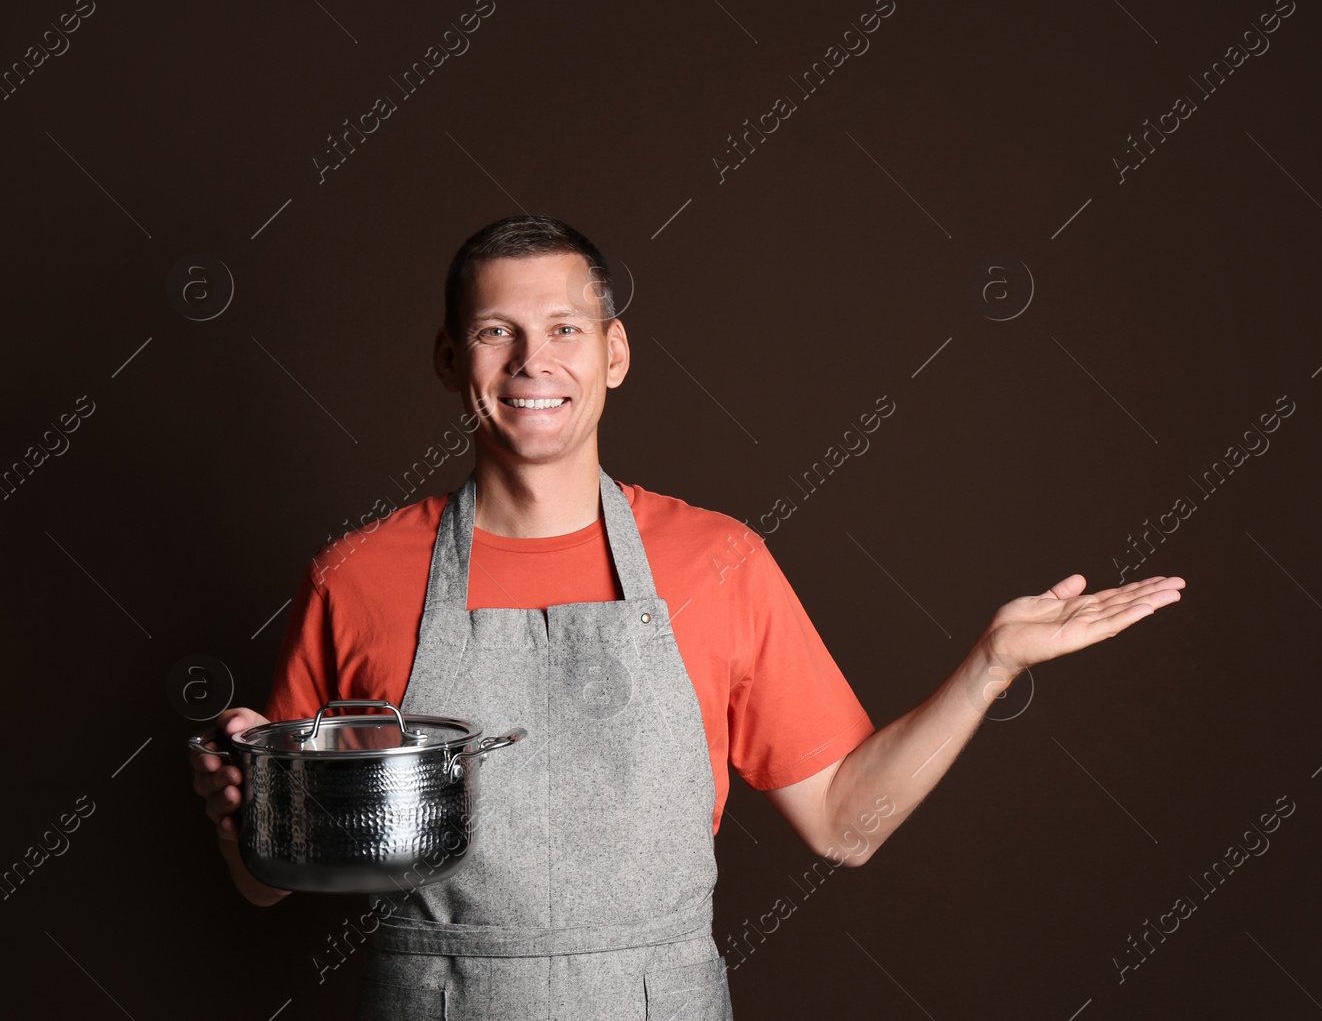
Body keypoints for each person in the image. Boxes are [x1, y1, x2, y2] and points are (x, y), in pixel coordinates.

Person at [189, 215, 1184, 1019]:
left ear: (615, 353)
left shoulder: (717, 562)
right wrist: (242, 816)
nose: (534, 360)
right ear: (451, 357)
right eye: (498, 330)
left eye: (566, 327)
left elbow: (845, 823)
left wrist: (988, 667)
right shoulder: (357, 576)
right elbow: (269, 883)